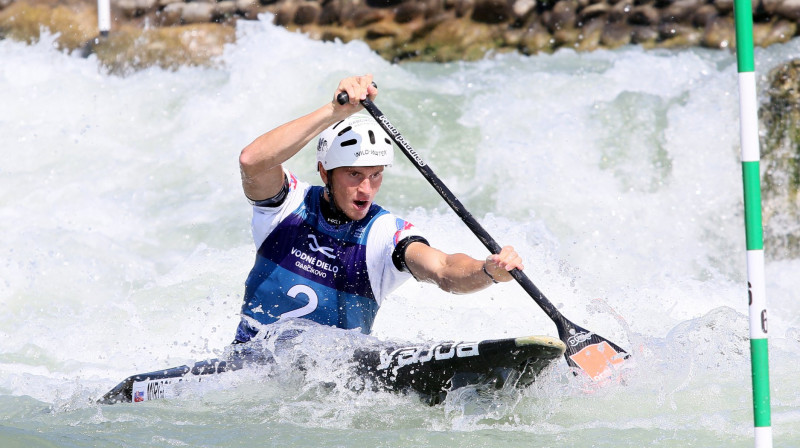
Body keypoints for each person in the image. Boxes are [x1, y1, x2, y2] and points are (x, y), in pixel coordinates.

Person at [233, 74, 524, 343]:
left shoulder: (386, 234)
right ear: (324, 172)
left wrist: (487, 271)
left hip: (333, 384)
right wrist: (335, 112)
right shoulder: (287, 205)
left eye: (375, 175)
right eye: (354, 175)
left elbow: (444, 269)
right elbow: (252, 161)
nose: (366, 189)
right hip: (250, 365)